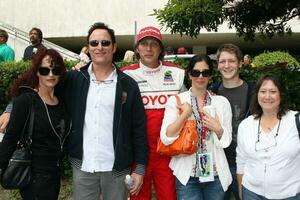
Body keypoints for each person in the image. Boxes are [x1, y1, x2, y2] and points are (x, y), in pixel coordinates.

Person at [0, 22, 149, 200]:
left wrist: (139, 168)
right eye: (94, 43)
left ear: (114, 47)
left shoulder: (128, 85)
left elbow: (138, 128)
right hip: (83, 167)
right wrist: (11, 109)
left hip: (117, 169)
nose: (99, 47)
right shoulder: (74, 79)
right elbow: (38, 85)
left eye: (105, 43)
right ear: (88, 47)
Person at [121, 26, 186, 200]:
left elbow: (190, 103)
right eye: (144, 44)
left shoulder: (178, 73)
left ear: (160, 49)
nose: (149, 49)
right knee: (138, 196)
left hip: (167, 150)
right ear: (137, 48)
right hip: (138, 151)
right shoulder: (125, 75)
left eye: (154, 44)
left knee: (169, 196)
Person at [0, 48, 71, 199]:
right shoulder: (26, 101)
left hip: (54, 175)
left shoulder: (62, 100)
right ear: (37, 72)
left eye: (55, 70)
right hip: (34, 177)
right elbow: (10, 139)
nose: (51, 75)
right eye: (44, 70)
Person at [160, 54, 232, 200]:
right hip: (188, 175)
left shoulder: (221, 102)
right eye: (195, 72)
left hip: (215, 173)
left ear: (210, 75)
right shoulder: (177, 101)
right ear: (189, 74)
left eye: (205, 72)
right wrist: (184, 115)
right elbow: (166, 137)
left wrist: (218, 129)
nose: (200, 76)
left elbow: (226, 141)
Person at [236, 75, 300, 199]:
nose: (267, 96)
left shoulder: (295, 121)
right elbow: (241, 161)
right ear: (257, 95)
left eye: (273, 92)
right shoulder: (246, 125)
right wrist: (241, 193)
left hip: (289, 195)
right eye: (263, 91)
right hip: (251, 193)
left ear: (281, 94)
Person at [210, 43, 253, 200]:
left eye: (232, 61)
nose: (227, 65)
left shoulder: (254, 93)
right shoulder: (210, 92)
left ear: (241, 63)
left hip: (245, 163)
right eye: (222, 61)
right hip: (218, 161)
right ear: (217, 65)